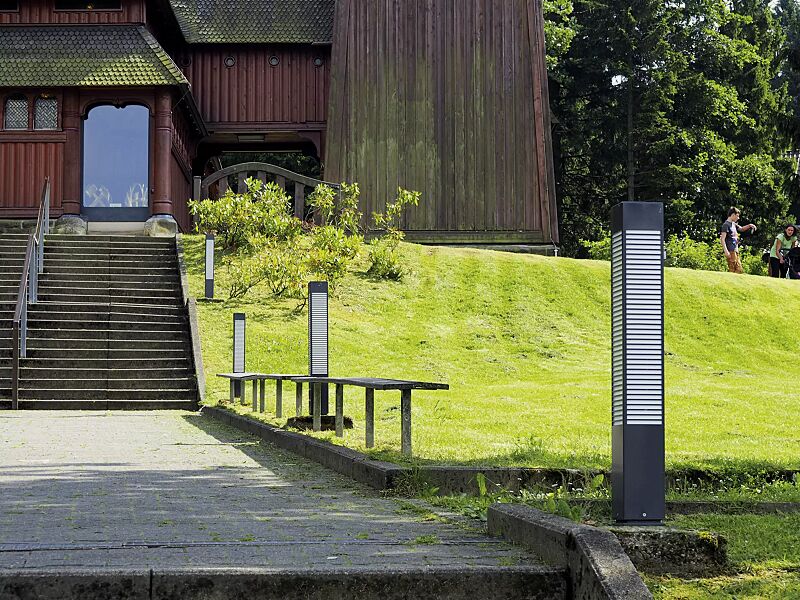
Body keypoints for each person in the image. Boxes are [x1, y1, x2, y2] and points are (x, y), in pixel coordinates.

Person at [719, 207, 756, 274]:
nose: (738, 218)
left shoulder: (733, 224)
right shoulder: (726, 225)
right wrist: (726, 251)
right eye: (737, 216)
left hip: (735, 250)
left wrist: (750, 225)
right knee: (733, 269)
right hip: (730, 250)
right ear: (733, 215)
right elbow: (722, 239)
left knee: (739, 269)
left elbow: (741, 229)